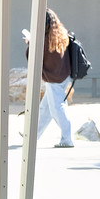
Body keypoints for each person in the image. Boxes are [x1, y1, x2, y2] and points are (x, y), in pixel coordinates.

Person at [31, 10, 79, 148]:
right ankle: (34, 135)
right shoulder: (61, 35)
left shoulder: (45, 39)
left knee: (57, 108)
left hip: (53, 78)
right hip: (63, 76)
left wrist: (30, 44)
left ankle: (67, 139)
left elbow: (34, 55)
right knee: (45, 107)